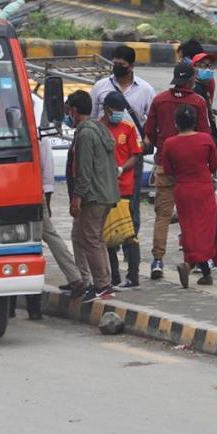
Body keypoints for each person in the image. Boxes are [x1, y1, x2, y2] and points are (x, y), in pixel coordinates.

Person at [89, 45, 155, 276]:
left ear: (132, 66)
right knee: (104, 208)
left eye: (122, 65)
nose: (117, 67)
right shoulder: (100, 87)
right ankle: (111, 255)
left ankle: (130, 249)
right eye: (114, 63)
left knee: (131, 207)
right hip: (102, 156)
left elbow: (152, 121)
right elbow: (91, 117)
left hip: (130, 156)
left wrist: (147, 137)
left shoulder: (145, 90)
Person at [143, 62, 211, 279]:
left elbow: (150, 133)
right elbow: (205, 132)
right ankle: (195, 261)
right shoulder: (197, 102)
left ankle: (157, 260)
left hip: (165, 165)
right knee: (192, 217)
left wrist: (161, 148)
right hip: (191, 171)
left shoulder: (159, 100)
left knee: (162, 216)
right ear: (192, 80)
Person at [64, 90, 118, 303]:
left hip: (93, 196)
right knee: (86, 237)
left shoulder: (85, 133)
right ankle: (93, 280)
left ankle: (102, 285)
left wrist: (77, 198)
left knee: (91, 239)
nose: (68, 116)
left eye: (69, 111)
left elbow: (83, 170)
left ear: (75, 111)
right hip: (106, 192)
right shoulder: (99, 129)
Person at [161, 105, 217, 288]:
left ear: (176, 123)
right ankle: (192, 265)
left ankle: (204, 272)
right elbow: (214, 165)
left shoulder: (169, 143)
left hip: (183, 189)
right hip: (203, 188)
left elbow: (169, 170)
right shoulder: (205, 139)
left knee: (190, 231)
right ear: (194, 122)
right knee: (207, 230)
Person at [100, 91, 143, 289]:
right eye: (116, 110)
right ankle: (114, 276)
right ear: (107, 109)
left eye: (121, 110)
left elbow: (136, 155)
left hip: (125, 188)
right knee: (107, 234)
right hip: (105, 189)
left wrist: (121, 168)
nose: (119, 113)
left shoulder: (128, 128)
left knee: (128, 233)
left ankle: (133, 276)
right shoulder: (98, 128)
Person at [39, 132, 84, 298]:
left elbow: (47, 173)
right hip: (28, 195)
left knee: (47, 236)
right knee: (50, 236)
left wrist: (47, 201)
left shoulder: (39, 136)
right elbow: (48, 172)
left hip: (31, 195)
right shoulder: (38, 136)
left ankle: (75, 278)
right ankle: (75, 277)